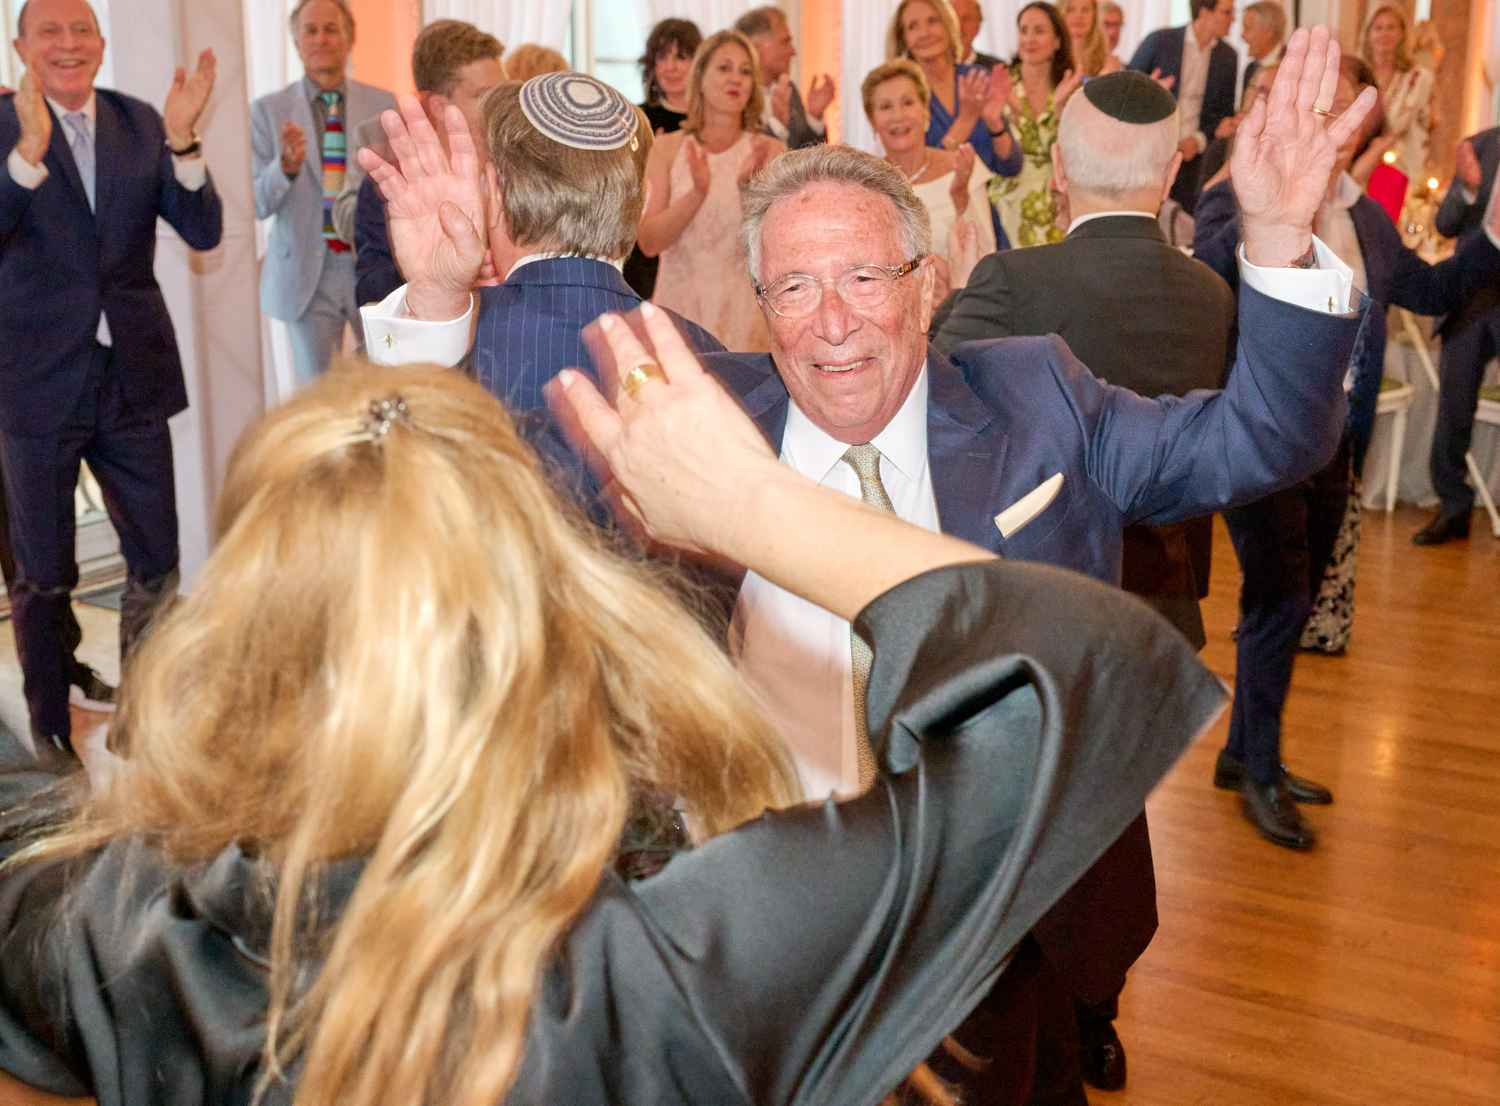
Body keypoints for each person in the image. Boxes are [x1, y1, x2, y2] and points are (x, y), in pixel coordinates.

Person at [337, 31, 1374, 1101]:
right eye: (792, 287)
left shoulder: (1041, 402)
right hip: (765, 955)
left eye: (864, 277)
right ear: (758, 305)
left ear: (928, 286)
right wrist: (437, 304)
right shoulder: (701, 417)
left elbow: (1263, 437)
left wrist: (1278, 239)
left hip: (997, 947)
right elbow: (444, 526)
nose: (830, 323)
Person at [0, 327, 1227, 1106]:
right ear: (551, 611)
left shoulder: (117, 928)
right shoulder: (672, 965)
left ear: (249, 628)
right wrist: (753, 502)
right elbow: (1088, 667)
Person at [932, 68, 1234, 1096]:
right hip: (1158, 601)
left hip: (1044, 606)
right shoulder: (1209, 294)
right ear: (1169, 173)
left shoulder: (1016, 283)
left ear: (1058, 170)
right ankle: (1098, 1018)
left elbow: (937, 409)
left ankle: (1054, 1020)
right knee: (1112, 819)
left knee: (1043, 828)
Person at [1192, 67, 1500, 847]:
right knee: (1279, 601)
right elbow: (1212, 274)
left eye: (1338, 109)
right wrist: (1271, 210)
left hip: (1333, 441)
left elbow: (1429, 290)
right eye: (1307, 103)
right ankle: (1260, 771)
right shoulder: (1233, 197)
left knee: (1285, 604)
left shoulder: (1365, 213)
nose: (1322, 119)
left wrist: (1493, 234)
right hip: (1260, 438)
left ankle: (1244, 753)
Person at [0, 0, 221, 763]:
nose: (68, 44)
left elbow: (203, 229)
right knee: (44, 572)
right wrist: (28, 154)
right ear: (21, 46)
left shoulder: (138, 121)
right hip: (35, 383)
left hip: (133, 377)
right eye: (50, 32)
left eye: (81, 30)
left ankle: (146, 712)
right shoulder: (3, 126)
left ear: (99, 44)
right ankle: (50, 722)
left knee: (156, 558)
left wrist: (184, 140)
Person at [359, 74, 722, 509]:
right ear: (642, 203)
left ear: (494, 194)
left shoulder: (453, 349)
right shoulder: (707, 360)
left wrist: (433, 299)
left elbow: (382, 481)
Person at [251, 0, 396, 384]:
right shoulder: (267, 111)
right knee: (316, 394)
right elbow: (257, 203)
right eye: (310, 30)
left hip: (371, 266)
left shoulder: (384, 106)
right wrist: (285, 167)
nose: (321, 39)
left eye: (331, 29)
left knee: (386, 381)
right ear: (296, 42)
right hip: (305, 278)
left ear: (349, 38)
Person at [638, 30, 782, 352]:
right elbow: (649, 242)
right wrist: (696, 194)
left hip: (745, 316)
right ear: (700, 76)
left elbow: (777, 248)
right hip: (679, 310)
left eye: (745, 71)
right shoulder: (666, 149)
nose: (736, 79)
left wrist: (748, 192)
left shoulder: (770, 151)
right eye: (724, 68)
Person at [348, 19, 504, 309]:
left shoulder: (522, 172)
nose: (500, 105)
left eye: (503, 92)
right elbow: (369, 293)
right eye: (484, 95)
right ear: (440, 107)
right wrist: (429, 274)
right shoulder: (391, 187)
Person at [1415, 127, 1500, 545]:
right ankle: (1453, 506)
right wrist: (1467, 188)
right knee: (1453, 406)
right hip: (1471, 294)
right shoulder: (1480, 146)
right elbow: (1445, 224)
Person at [862, 59, 996, 290]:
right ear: (873, 121)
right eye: (885, 107)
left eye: (907, 103)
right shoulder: (864, 183)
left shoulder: (962, 167)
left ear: (925, 111)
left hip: (959, 304)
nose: (898, 116)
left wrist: (960, 197)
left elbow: (986, 256)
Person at [887, 0, 1021, 178]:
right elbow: (919, 172)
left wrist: (994, 123)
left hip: (984, 195)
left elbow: (1011, 167)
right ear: (903, 39)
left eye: (932, 21)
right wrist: (966, 120)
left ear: (949, 25)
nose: (924, 33)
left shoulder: (976, 77)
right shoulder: (901, 95)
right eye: (913, 26)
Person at [1128, 0, 1238, 213]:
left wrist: (1198, 140)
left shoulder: (1228, 57)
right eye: (1226, 12)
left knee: (1185, 220)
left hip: (1195, 159)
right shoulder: (1159, 41)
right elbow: (1127, 89)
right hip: (1150, 153)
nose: (1233, 19)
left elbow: (1223, 115)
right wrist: (1148, 92)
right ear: (1204, 12)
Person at [989, 3, 1081, 249]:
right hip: (1006, 204)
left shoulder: (1071, 87)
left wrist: (1060, 109)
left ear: (1058, 41)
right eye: (1024, 30)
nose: (1029, 39)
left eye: (1039, 31)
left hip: (1056, 204)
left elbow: (1077, 153)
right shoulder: (1001, 83)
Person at [624, 17, 702, 300]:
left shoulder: (714, 121)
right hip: (647, 252)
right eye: (662, 57)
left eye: (681, 57)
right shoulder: (635, 118)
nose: (670, 67)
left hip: (700, 244)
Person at [735, 5, 834, 151]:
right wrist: (778, 124)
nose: (793, 51)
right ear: (755, 47)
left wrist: (814, 116)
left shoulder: (789, 90)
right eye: (785, 42)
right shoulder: (734, 95)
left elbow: (808, 157)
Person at [1361, 3, 1434, 197]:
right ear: (1368, 34)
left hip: (1399, 166)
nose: (1384, 34)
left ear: (1402, 34)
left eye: (1391, 28)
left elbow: (1399, 123)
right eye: (1378, 28)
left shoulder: (1418, 77)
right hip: (1359, 166)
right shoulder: (1358, 75)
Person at [1062, 0, 1122, 78]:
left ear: (1095, 16)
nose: (1079, 15)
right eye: (1071, 9)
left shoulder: (1107, 62)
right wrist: (1103, 77)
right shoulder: (1052, 58)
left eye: (1085, 10)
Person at [1241, 1, 1286, 96]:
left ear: (1268, 32)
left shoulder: (1291, 66)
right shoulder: (1250, 69)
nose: (1242, 35)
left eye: (1247, 28)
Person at [952, 0, 1002, 70]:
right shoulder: (935, 69)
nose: (959, 26)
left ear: (978, 23)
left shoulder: (998, 68)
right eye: (953, 19)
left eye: (966, 18)